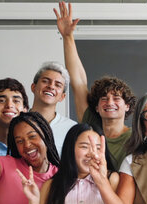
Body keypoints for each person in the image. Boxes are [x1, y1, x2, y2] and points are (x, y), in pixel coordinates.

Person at [55, 1, 136, 170]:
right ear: (97, 107)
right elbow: (78, 82)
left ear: (127, 106)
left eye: (116, 98)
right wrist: (68, 37)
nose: (110, 102)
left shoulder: (136, 137)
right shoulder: (92, 123)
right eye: (104, 98)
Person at [29, 60, 76, 156]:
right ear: (33, 87)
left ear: (62, 97)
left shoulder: (72, 129)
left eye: (58, 85)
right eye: (45, 81)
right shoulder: (17, 123)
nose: (51, 86)